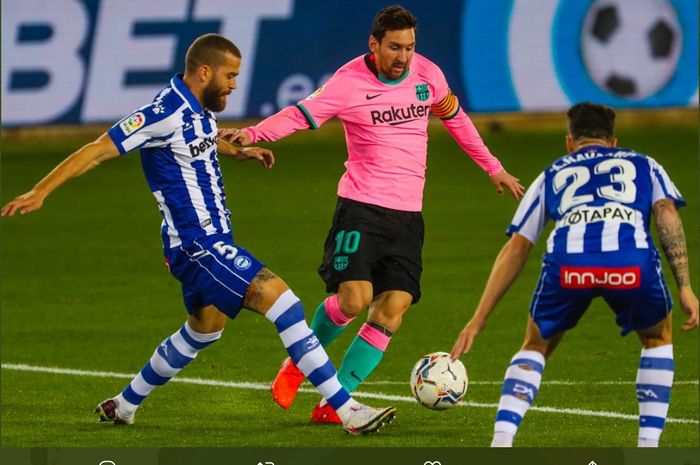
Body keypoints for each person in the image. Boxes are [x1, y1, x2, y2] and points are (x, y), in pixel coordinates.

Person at [1, 33, 396, 435]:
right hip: (199, 245)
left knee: (203, 330)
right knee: (287, 306)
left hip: (201, 244)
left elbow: (197, 140)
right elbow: (98, 148)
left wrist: (237, 151)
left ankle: (124, 404)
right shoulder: (162, 112)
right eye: (230, 75)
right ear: (204, 71)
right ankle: (348, 411)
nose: (234, 85)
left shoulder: (198, 109)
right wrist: (41, 191)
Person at [219, 4, 525, 424]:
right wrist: (252, 133)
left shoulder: (428, 76)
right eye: (395, 47)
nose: (403, 57)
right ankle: (298, 365)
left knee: (392, 309)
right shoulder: (348, 83)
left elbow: (457, 120)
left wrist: (493, 167)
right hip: (361, 207)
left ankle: (335, 401)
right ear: (374, 44)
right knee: (353, 300)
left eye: (410, 47)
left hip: (408, 216)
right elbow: (299, 115)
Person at [449, 102, 699, 447]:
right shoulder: (645, 164)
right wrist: (685, 287)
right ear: (613, 142)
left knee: (536, 344)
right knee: (657, 336)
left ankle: (502, 441)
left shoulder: (552, 173)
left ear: (569, 142)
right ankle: (648, 445)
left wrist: (478, 319)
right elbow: (666, 213)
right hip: (629, 263)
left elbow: (518, 247)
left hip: (569, 265)